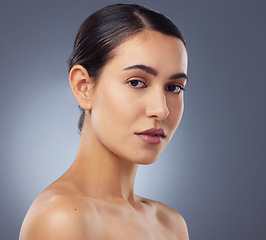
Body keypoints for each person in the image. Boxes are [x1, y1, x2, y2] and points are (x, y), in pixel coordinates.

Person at [19, 3, 189, 239]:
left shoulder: (171, 224)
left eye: (174, 87)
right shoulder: (60, 219)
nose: (161, 109)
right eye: (136, 82)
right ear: (83, 87)